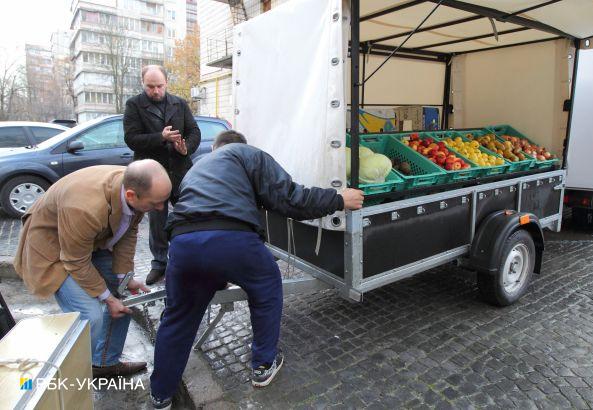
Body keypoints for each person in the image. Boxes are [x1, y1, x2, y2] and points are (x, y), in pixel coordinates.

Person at [149, 130, 364, 408]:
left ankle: (160, 394)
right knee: (266, 285)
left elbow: (196, 211)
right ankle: (263, 364)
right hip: (232, 237)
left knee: (177, 317)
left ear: (215, 147)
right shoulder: (247, 154)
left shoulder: (198, 166)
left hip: (183, 243)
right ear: (240, 145)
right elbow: (289, 198)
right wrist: (338, 199)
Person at [13, 160, 171, 378]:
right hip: (53, 249)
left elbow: (128, 232)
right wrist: (107, 297)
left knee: (124, 297)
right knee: (91, 315)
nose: (161, 208)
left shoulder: (136, 190)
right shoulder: (85, 207)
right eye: (156, 203)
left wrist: (125, 277)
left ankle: (104, 364)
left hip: (88, 241)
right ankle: (68, 376)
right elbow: (75, 261)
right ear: (131, 196)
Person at [123, 65, 201, 286]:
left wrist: (187, 148)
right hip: (151, 175)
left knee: (191, 215)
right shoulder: (134, 105)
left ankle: (193, 259)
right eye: (150, 87)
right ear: (143, 83)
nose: (156, 91)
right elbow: (132, 139)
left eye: (159, 86)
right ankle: (159, 264)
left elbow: (194, 131)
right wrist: (161, 137)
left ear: (166, 83)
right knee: (157, 221)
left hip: (179, 171)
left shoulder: (179, 103)